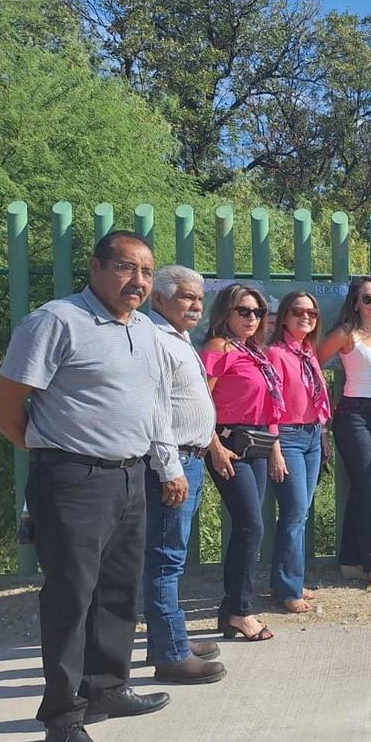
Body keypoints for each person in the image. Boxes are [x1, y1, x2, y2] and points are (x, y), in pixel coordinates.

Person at [0, 231, 179, 742]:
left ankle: (107, 688)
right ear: (95, 267)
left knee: (119, 590)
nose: (137, 280)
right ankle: (62, 716)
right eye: (125, 267)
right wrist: (46, 448)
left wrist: (159, 463)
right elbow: (4, 402)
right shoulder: (56, 321)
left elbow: (152, 406)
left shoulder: (143, 329)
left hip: (129, 476)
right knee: (71, 598)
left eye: (146, 271)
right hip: (71, 480)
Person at [143, 265, 226, 683]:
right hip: (171, 461)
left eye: (198, 297)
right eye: (186, 297)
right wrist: (171, 467)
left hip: (188, 457)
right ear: (159, 299)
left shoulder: (177, 337)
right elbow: (155, 410)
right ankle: (171, 655)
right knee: (164, 560)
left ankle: (165, 639)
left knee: (169, 556)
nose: (196, 305)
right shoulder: (156, 339)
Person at [201, 284, 283, 642]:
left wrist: (275, 446)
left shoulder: (255, 352)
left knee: (251, 527)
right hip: (228, 442)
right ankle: (240, 610)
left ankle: (230, 610)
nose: (253, 318)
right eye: (244, 311)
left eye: (258, 312)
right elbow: (200, 398)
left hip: (257, 442)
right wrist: (214, 446)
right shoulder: (220, 348)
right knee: (251, 527)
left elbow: (267, 406)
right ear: (225, 313)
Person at [318, 277, 371, 591]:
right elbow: (312, 363)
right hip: (355, 415)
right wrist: (326, 399)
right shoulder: (344, 334)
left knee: (363, 488)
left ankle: (349, 559)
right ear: (355, 303)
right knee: (365, 485)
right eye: (366, 298)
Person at [267, 291, 331, 613]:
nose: (306, 317)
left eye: (312, 312)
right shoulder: (276, 353)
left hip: (311, 436)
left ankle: (290, 580)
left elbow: (315, 400)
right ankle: (287, 587)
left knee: (300, 514)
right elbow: (272, 404)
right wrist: (274, 447)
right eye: (298, 311)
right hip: (288, 439)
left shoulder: (307, 352)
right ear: (284, 316)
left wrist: (323, 435)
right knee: (293, 514)